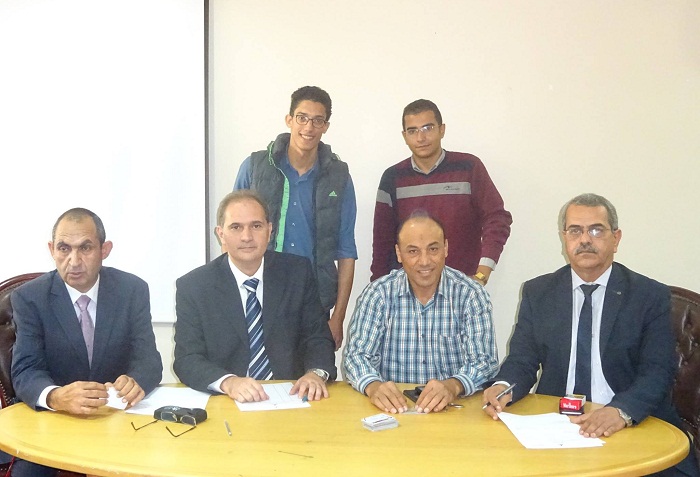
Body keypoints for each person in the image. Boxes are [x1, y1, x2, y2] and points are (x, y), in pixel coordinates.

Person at [481, 193, 698, 477]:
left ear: (616, 238)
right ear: (564, 238)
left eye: (596, 230)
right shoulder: (539, 293)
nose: (584, 239)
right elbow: (522, 361)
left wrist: (620, 411)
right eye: (575, 231)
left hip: (632, 426)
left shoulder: (648, 295)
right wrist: (503, 387)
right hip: (558, 428)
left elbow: (657, 372)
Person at [10, 208, 162, 477]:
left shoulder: (132, 290)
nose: (74, 260)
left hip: (117, 420)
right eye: (64, 248)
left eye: (86, 248)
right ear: (51, 249)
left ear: (105, 250)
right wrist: (56, 396)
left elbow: (148, 360)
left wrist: (135, 380)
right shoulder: (30, 298)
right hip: (53, 422)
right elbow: (26, 370)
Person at [174, 190, 336, 404]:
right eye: (236, 227)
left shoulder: (298, 273)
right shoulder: (194, 286)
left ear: (269, 230)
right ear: (221, 234)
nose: (247, 237)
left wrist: (316, 373)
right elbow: (187, 359)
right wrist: (228, 382)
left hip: (291, 396)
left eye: (256, 226)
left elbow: (318, 337)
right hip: (227, 400)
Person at [234, 85, 357, 351]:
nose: (308, 127)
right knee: (261, 375)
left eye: (317, 120)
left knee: (315, 375)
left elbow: (346, 250)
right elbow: (232, 235)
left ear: (326, 126)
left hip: (315, 302)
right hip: (260, 296)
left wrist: (338, 317)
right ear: (289, 119)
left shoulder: (339, 177)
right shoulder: (254, 168)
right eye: (302, 117)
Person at [344, 212, 498, 414]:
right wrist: (373, 386)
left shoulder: (471, 295)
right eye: (413, 251)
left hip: (453, 410)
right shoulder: (378, 294)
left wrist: (454, 385)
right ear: (399, 254)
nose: (424, 261)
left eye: (433, 249)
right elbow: (356, 356)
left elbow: (485, 361)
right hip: (395, 410)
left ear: (446, 248)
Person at [370, 99, 512, 287]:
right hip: (408, 293)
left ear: (442, 129)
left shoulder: (469, 168)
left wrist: (482, 274)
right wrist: (378, 289)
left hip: (462, 289)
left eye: (427, 128)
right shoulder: (393, 178)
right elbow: (382, 242)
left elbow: (497, 218)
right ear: (404, 136)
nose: (420, 138)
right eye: (412, 131)